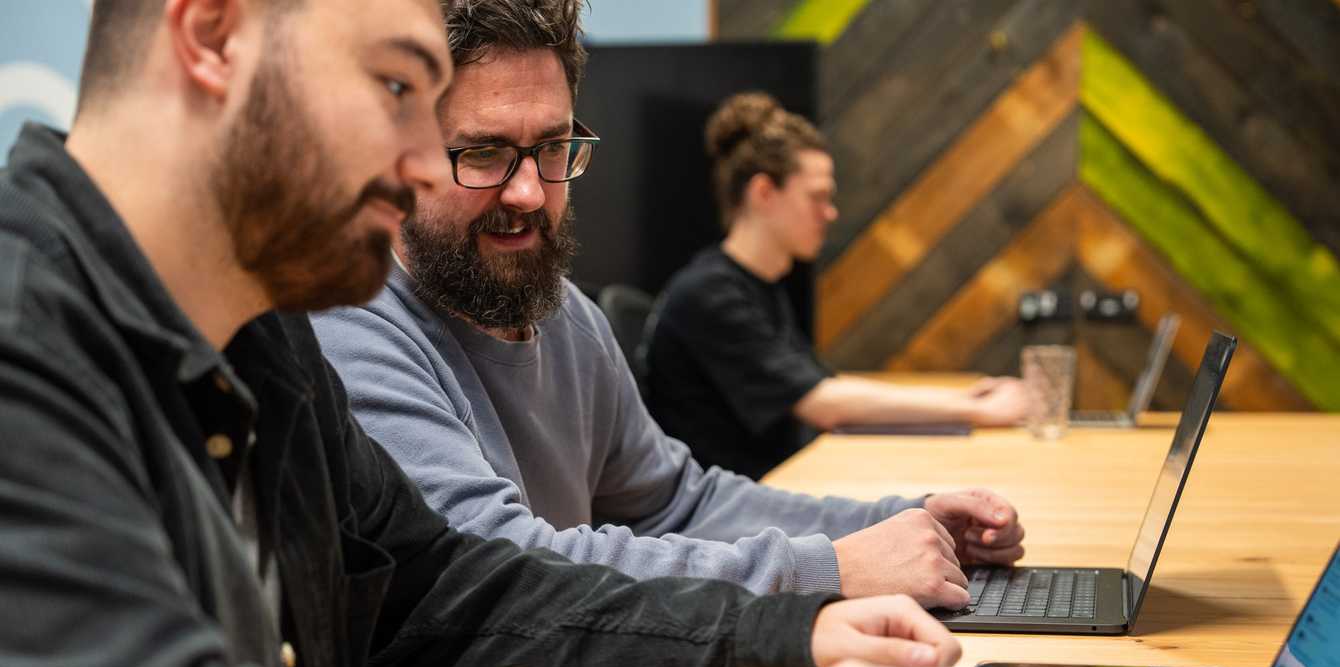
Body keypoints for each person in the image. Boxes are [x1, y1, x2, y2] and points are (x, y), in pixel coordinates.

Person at [0, 0, 1043, 667]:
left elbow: (454, 590)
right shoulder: (23, 344)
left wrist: (784, 634)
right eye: (396, 87)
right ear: (215, 32)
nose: (419, 166)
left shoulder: (261, 339)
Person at [313, 0, 1026, 610]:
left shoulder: (567, 316)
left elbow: (680, 505)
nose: (529, 191)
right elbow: (501, 564)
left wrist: (906, 521)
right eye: (483, 153)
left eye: (553, 146)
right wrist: (832, 571)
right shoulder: (350, 324)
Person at [645, 92, 1034, 480]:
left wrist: (959, 398)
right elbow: (823, 403)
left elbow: (824, 386)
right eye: (817, 197)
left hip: (775, 487)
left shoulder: (757, 287)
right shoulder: (710, 294)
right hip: (734, 518)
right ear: (763, 192)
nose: (829, 213)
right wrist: (976, 412)